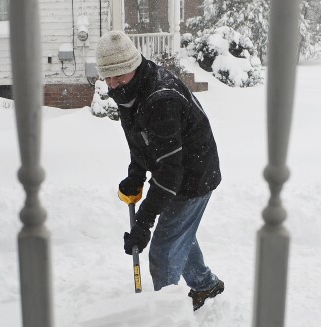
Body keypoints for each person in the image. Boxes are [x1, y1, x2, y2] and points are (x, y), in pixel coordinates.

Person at [96, 31, 225, 311]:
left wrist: (143, 223)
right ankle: (205, 285)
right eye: (108, 78)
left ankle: (167, 320)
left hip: (194, 175)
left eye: (119, 76)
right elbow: (140, 139)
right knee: (177, 233)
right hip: (176, 170)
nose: (113, 84)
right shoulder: (131, 90)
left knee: (164, 251)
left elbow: (170, 173)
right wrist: (136, 175)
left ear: (133, 65)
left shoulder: (160, 99)